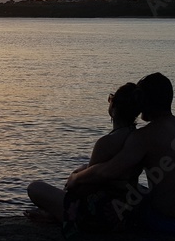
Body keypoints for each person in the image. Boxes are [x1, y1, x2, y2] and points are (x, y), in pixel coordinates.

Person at [65, 72, 175, 233]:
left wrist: (76, 177)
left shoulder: (144, 136)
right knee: (141, 190)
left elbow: (106, 172)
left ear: (145, 101)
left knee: (128, 195)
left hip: (169, 222)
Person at [26, 82, 143, 232]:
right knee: (79, 174)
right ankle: (57, 214)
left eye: (111, 98)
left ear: (114, 107)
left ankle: (58, 216)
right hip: (126, 208)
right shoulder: (140, 138)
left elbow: (86, 188)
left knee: (35, 188)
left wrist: (75, 177)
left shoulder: (107, 143)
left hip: (101, 213)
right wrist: (83, 171)